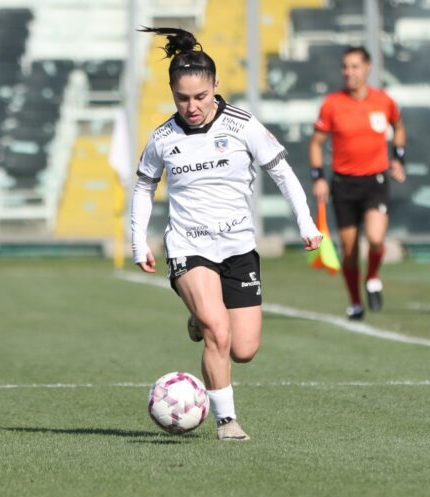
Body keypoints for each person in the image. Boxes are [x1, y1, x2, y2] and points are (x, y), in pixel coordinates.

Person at [132, 27, 322, 440]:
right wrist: (138, 240)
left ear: (216, 86)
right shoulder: (163, 138)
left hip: (237, 247)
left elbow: (283, 173)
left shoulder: (243, 125)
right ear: (172, 92)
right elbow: (145, 186)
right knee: (219, 332)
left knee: (243, 349)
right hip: (188, 247)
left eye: (200, 97)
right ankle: (226, 420)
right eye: (182, 98)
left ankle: (198, 319)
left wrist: (306, 224)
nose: (192, 106)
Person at [309, 46, 406, 321]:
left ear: (367, 68)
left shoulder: (384, 101)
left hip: (375, 182)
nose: (349, 72)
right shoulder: (332, 104)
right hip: (343, 185)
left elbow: (399, 127)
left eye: (354, 66)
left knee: (375, 240)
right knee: (349, 252)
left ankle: (373, 277)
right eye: (345, 67)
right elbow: (316, 143)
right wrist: (318, 178)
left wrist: (398, 159)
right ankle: (355, 302)